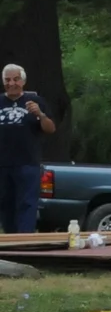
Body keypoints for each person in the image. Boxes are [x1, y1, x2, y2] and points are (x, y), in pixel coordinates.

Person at [0, 64, 58, 234]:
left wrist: (40, 114)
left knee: (27, 204)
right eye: (7, 80)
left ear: (23, 81)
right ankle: (10, 243)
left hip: (27, 163)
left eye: (16, 79)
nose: (11, 83)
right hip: (2, 164)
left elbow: (50, 129)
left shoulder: (35, 102)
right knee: (5, 204)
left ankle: (24, 242)